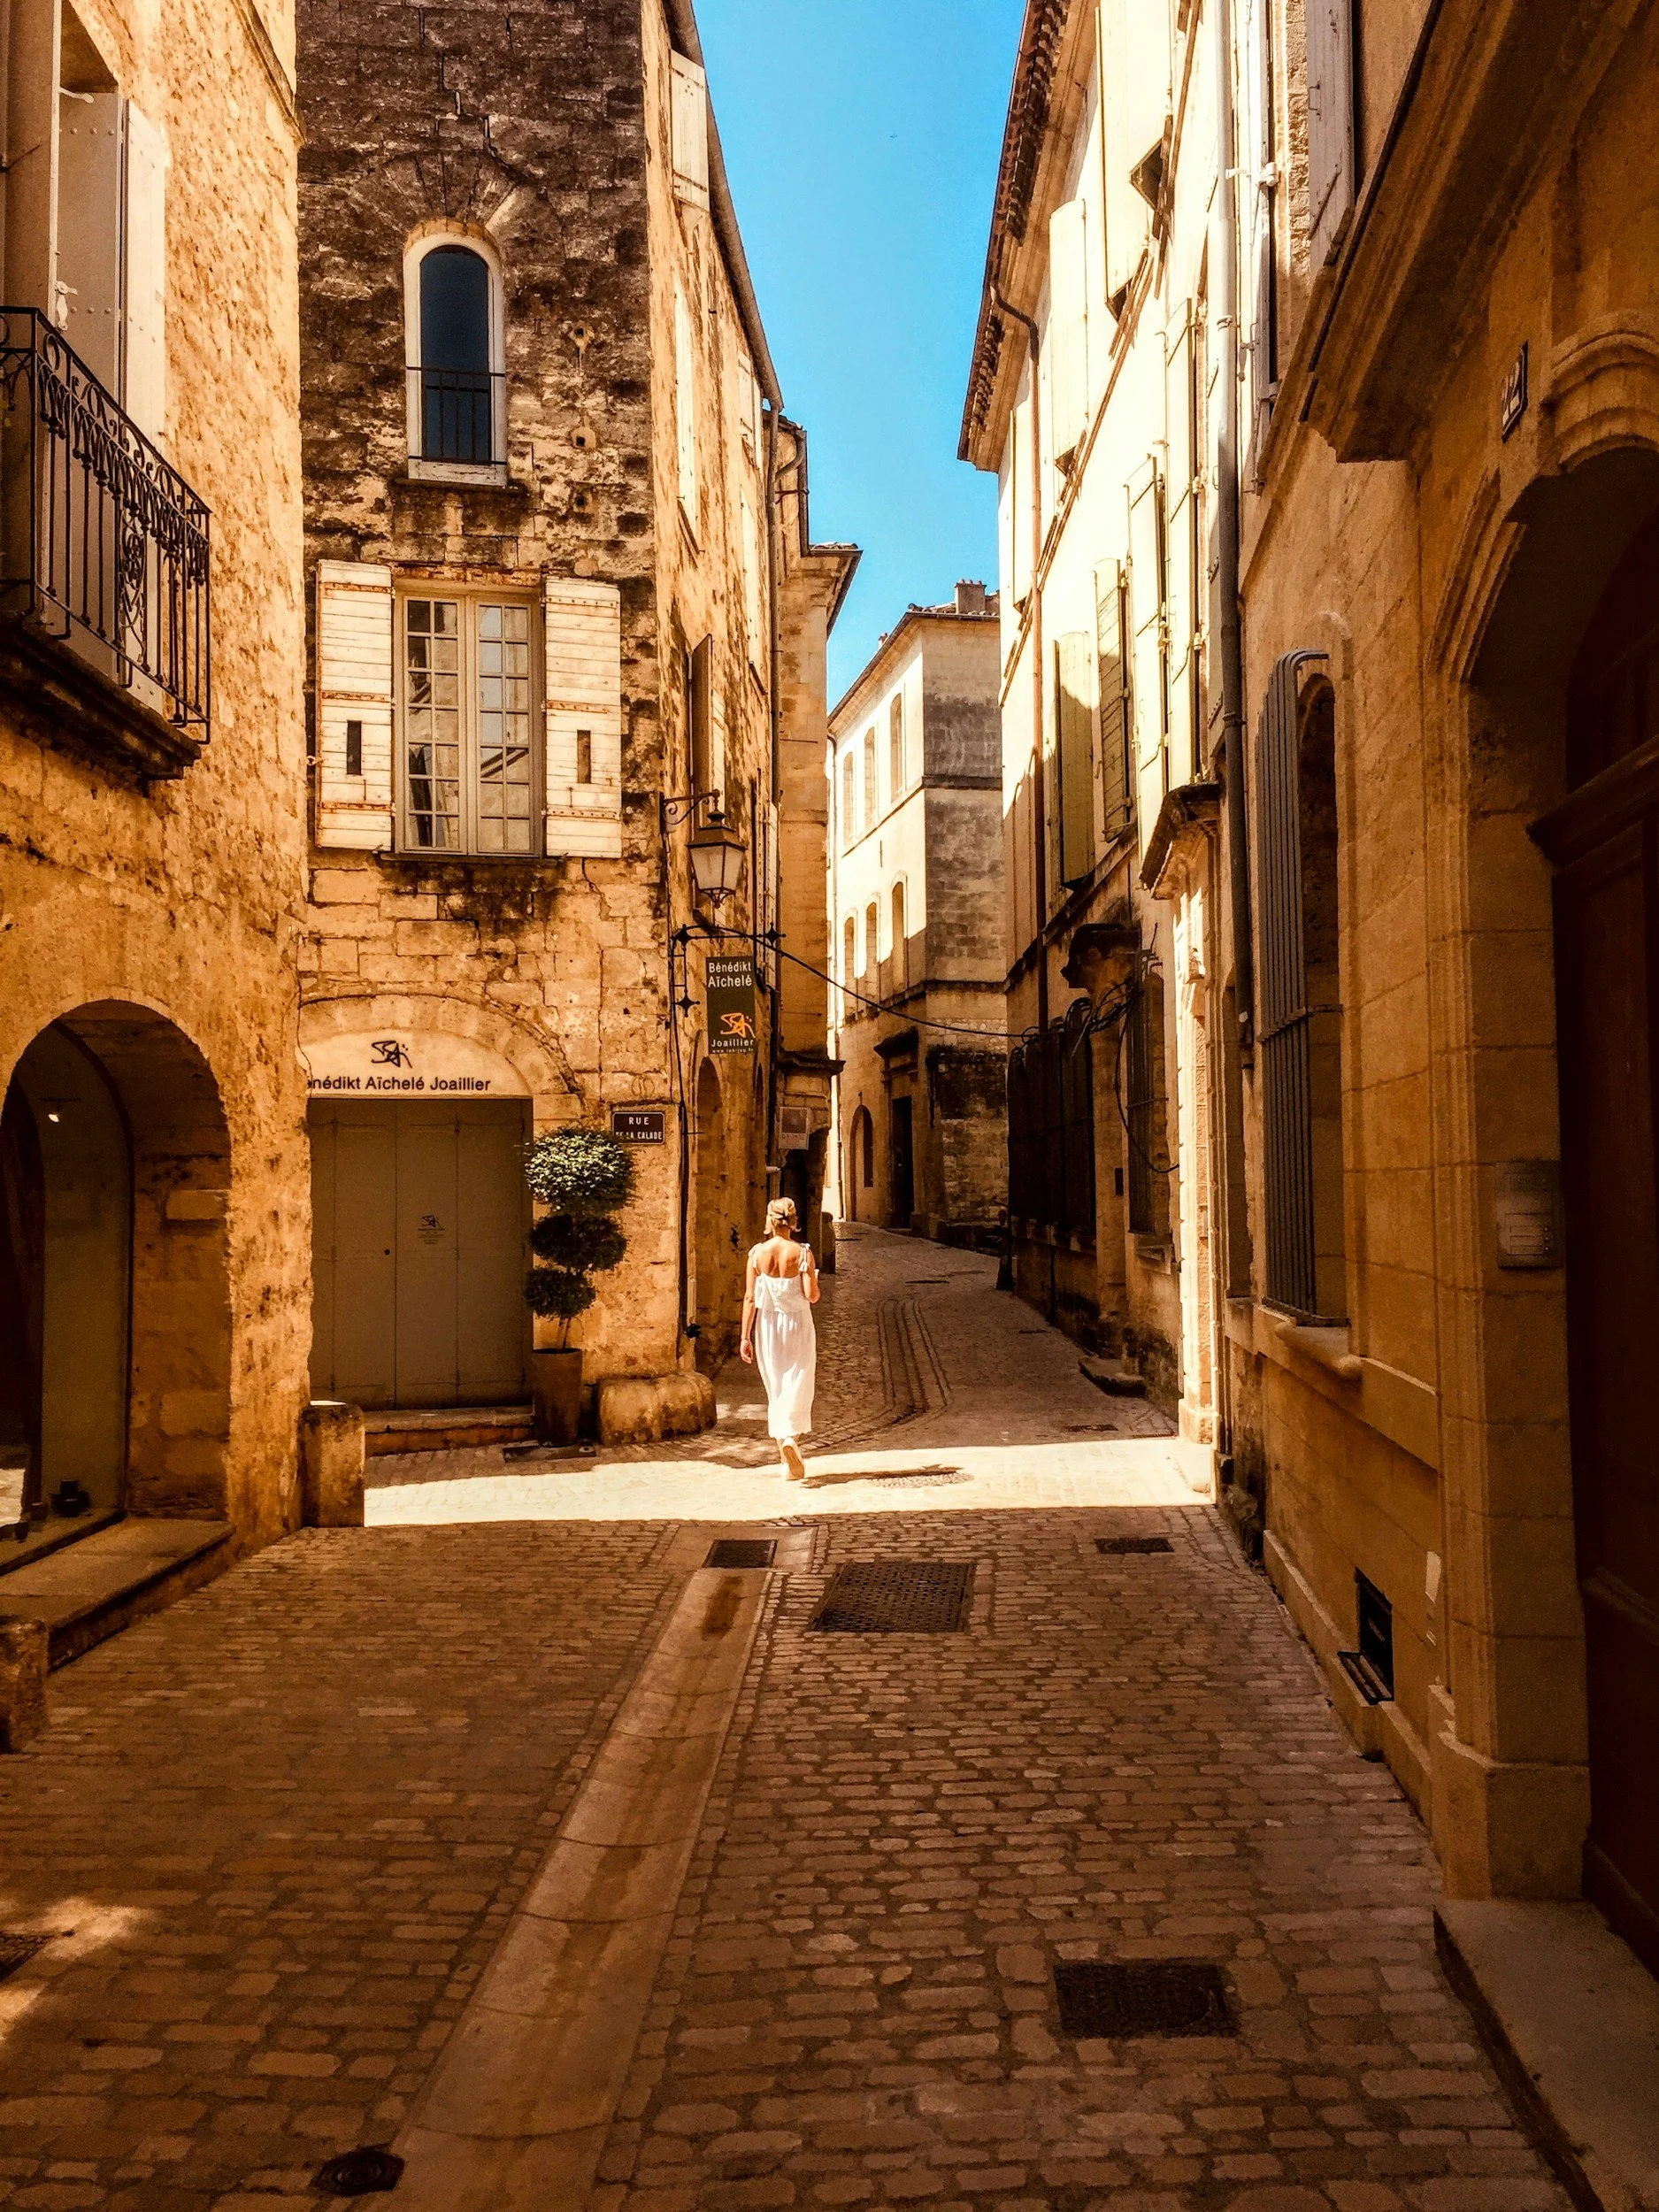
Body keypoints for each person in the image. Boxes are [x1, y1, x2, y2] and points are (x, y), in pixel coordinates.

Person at [739, 1195, 819, 1480]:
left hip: (768, 1326)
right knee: (798, 1382)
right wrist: (812, 1275)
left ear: (770, 1221)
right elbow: (812, 1296)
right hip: (798, 1324)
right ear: (793, 1221)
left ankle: (785, 1459)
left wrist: (745, 1336)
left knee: (775, 1385)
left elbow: (750, 1298)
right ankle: (789, 1438)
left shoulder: (756, 1254)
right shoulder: (802, 1253)